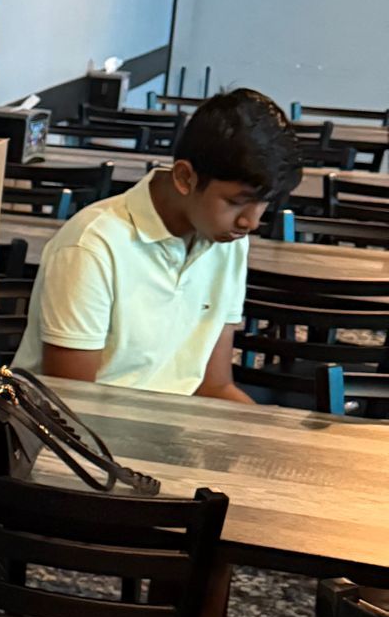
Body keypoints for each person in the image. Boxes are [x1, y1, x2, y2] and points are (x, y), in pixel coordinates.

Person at [16, 88, 301, 400]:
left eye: (264, 205)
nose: (251, 222)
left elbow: (214, 385)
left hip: (170, 426)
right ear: (184, 178)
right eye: (236, 202)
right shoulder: (92, 246)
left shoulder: (226, 241)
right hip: (87, 430)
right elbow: (72, 406)